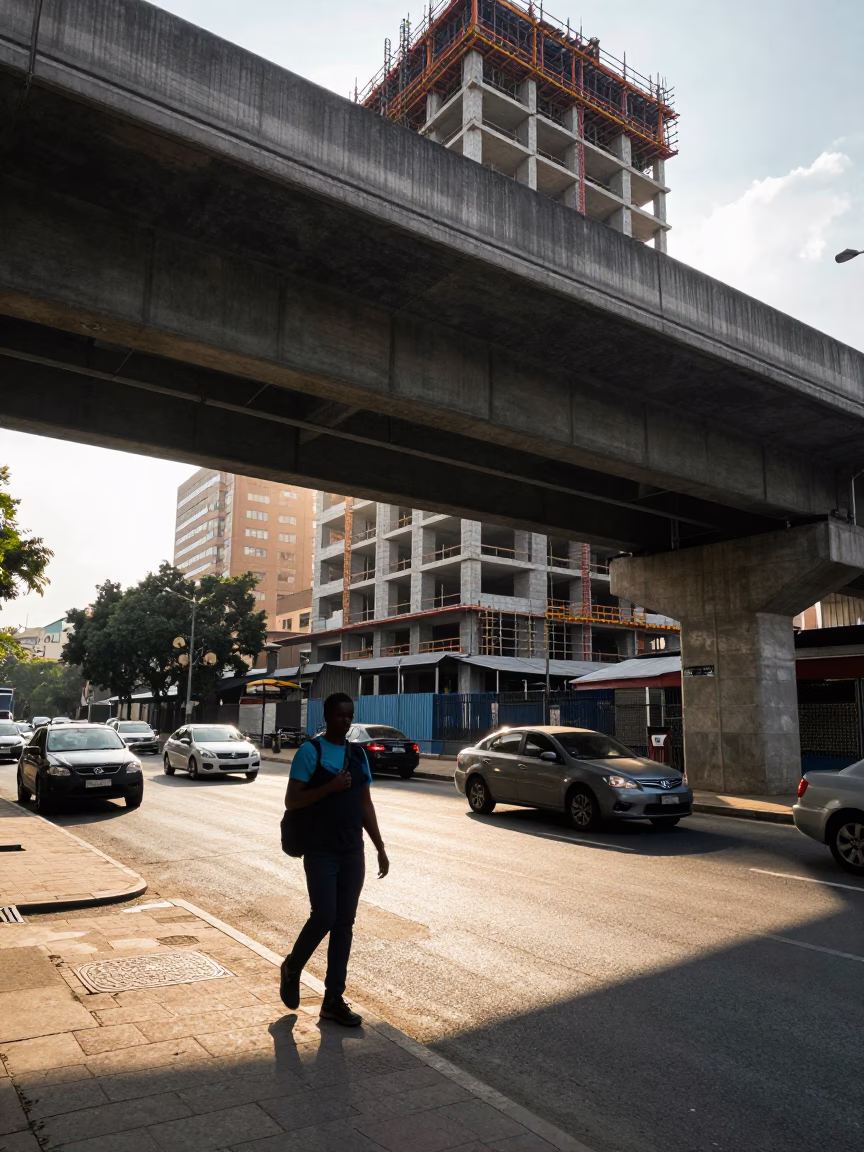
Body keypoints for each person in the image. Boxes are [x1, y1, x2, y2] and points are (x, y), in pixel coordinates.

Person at [280, 692, 388, 1026]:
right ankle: (293, 965)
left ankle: (332, 1000)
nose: (346, 720)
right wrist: (330, 787)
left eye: (349, 715)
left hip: (351, 851)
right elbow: (292, 801)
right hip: (320, 850)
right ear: (327, 716)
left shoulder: (357, 755)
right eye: (340, 715)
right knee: (325, 916)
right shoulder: (309, 751)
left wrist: (380, 846)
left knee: (344, 924)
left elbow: (364, 803)